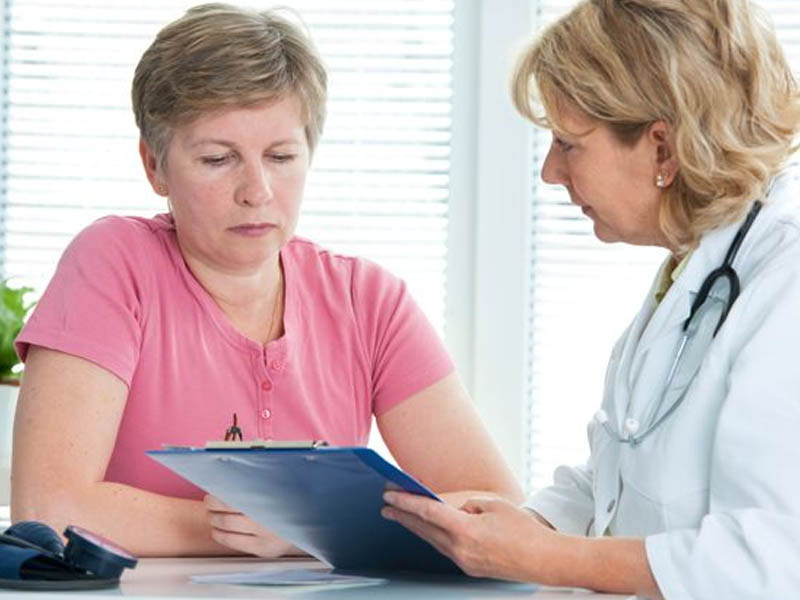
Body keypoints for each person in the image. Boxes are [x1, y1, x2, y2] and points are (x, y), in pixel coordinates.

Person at [11, 3, 522, 557]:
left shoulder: (369, 300)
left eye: (281, 156)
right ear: (154, 165)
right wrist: (282, 524)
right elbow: (49, 507)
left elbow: (497, 510)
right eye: (217, 159)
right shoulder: (113, 263)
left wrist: (314, 523)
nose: (257, 191)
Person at [382, 1, 800, 598]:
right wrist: (509, 527)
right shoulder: (695, 269)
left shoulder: (785, 283)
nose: (550, 172)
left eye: (568, 144)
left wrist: (547, 557)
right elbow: (618, 477)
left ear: (662, 149)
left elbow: (770, 563)